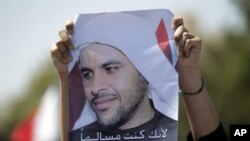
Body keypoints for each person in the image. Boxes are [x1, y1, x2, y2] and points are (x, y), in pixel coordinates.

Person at [50, 12, 228, 141]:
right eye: (87, 74)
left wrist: (188, 71)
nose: (95, 88)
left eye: (111, 69)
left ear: (145, 72)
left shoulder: (166, 130)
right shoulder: (86, 135)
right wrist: (65, 73)